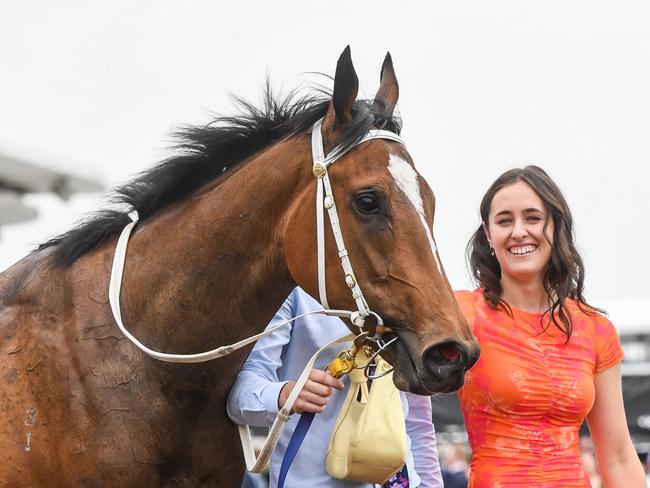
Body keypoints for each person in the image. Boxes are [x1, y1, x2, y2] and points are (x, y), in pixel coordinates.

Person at [455, 165, 645, 486]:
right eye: (504, 220)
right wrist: (337, 369)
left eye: (532, 218)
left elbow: (618, 455)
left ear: (555, 227)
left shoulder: (595, 328)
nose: (518, 231)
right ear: (488, 235)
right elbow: (378, 333)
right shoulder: (461, 313)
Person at [228, 287, 443, 488]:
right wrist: (284, 395)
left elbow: (417, 420)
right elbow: (238, 399)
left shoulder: (408, 291)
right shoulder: (294, 292)